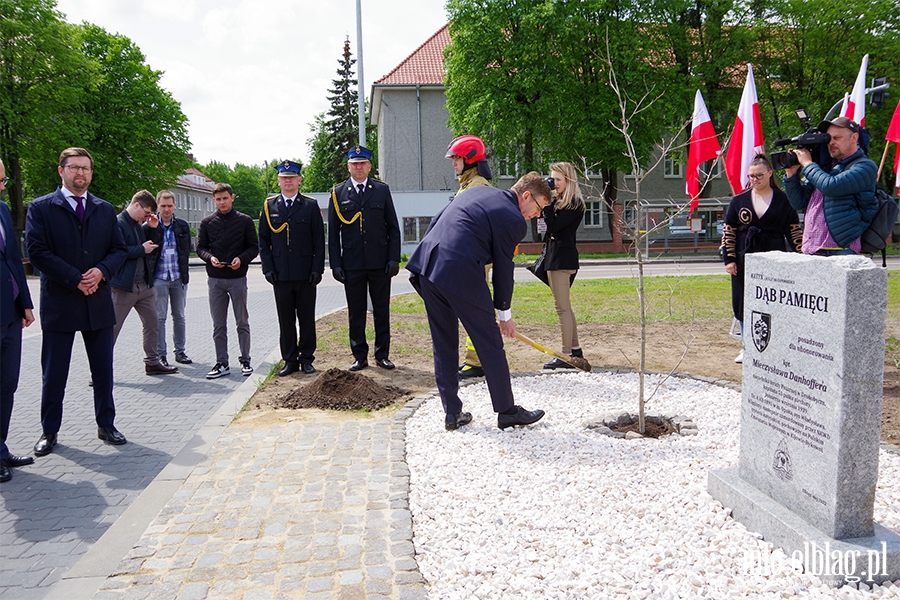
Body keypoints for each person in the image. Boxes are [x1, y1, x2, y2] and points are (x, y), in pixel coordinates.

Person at [406, 172, 549, 431]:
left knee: (444, 343)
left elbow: (439, 220)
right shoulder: (514, 219)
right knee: (490, 342)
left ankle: (452, 413)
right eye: (539, 207)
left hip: (428, 267)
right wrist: (504, 315)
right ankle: (507, 411)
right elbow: (504, 268)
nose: (537, 215)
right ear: (526, 195)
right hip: (460, 272)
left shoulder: (475, 191)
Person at [25, 147, 127, 454]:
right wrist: (75, 278)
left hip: (97, 302)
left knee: (103, 370)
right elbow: (37, 252)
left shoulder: (105, 209)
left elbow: (119, 249)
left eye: (85, 168)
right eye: (74, 168)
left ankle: (106, 424)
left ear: (91, 173)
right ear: (61, 171)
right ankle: (49, 431)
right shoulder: (41, 208)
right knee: (54, 372)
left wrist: (101, 271)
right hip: (61, 301)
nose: (80, 173)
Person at [722, 154, 803, 363]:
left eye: (759, 175)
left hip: (773, 257)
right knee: (742, 303)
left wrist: (801, 255)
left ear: (769, 173)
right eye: (751, 176)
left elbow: (794, 230)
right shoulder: (739, 200)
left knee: (771, 301)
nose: (754, 180)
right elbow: (729, 231)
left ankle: (771, 346)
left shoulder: (783, 200)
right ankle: (747, 346)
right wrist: (729, 259)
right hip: (743, 258)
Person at [328, 146, 401, 372]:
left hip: (380, 262)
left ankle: (382, 354)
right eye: (354, 164)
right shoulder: (338, 193)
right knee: (356, 312)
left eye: (363, 163)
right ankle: (359, 356)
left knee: (381, 310)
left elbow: (393, 228)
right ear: (348, 167)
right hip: (352, 264)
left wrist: (393, 259)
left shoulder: (381, 190)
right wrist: (336, 263)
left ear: (369, 166)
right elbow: (333, 233)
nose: (358, 167)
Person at [259, 160, 325, 376]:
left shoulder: (310, 205)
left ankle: (307, 358)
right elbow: (263, 240)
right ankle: (290, 359)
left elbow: (318, 239)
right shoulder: (269, 206)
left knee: (306, 318)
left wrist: (318, 269)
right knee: (285, 320)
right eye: (284, 178)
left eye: (292, 177)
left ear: (299, 180)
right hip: (280, 274)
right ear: (278, 181)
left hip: (305, 273)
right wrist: (267, 268)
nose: (288, 181)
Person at [783, 116, 878, 256]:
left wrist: (807, 163)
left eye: (837, 138)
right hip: (812, 249)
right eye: (828, 138)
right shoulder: (825, 167)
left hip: (841, 249)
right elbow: (798, 202)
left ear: (854, 138)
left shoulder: (865, 166)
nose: (831, 142)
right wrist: (792, 174)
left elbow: (831, 187)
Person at [110, 190, 178, 375]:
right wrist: (141, 249)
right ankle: (100, 370)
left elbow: (153, 247)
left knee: (152, 323)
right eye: (146, 213)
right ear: (137, 205)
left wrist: (154, 228)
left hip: (144, 285)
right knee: (112, 328)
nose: (147, 217)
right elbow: (118, 252)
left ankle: (152, 362)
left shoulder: (137, 225)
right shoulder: (117, 223)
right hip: (124, 286)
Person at [196, 183, 258, 379]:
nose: (222, 202)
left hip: (237, 278)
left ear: (232, 197)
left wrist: (241, 259)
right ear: (214, 200)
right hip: (215, 279)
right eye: (218, 199)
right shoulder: (207, 222)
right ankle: (222, 362)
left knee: (242, 321)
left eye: (225, 198)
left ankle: (245, 359)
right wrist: (210, 258)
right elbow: (200, 248)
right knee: (219, 324)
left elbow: (253, 247)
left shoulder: (245, 221)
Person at [446, 135, 493, 380]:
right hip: (466, 260)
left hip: (475, 261)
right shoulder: (467, 185)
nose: (453, 163)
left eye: (456, 158)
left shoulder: (478, 187)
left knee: (477, 311)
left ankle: (478, 362)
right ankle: (474, 359)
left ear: (470, 159)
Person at [1, 159, 36, 481]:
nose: (2, 186)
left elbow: (13, 259)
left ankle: (1, 448)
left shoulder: (1, 210)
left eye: (3, 180)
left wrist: (25, 304)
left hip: (10, 314)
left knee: (7, 385)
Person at [541, 161, 587, 369]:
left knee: (563, 309)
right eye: (552, 179)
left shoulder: (574, 203)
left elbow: (553, 227)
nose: (554, 183)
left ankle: (566, 355)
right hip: (556, 259)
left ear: (569, 180)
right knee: (565, 308)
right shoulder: (561, 203)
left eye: (558, 180)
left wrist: (546, 204)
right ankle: (575, 350)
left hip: (562, 260)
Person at [153, 190, 192, 367]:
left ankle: (180, 351)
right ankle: (161, 354)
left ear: (174, 205)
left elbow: (186, 251)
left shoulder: (182, 225)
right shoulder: (150, 226)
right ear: (157, 206)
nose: (166, 209)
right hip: (159, 277)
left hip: (178, 277)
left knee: (179, 316)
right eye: (163, 206)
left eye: (169, 206)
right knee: (159, 317)